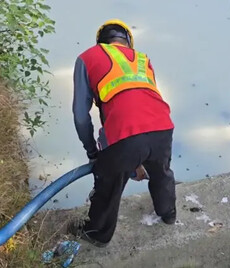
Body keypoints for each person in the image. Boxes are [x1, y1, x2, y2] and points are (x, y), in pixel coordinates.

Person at [68, 19, 176, 247]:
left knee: (108, 182)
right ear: (128, 41)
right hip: (162, 125)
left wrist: (94, 153)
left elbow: (81, 115)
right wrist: (136, 160)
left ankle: (97, 234)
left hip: (125, 133)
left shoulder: (87, 58)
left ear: (100, 42)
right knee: (161, 171)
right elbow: (143, 102)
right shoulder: (142, 59)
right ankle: (168, 213)